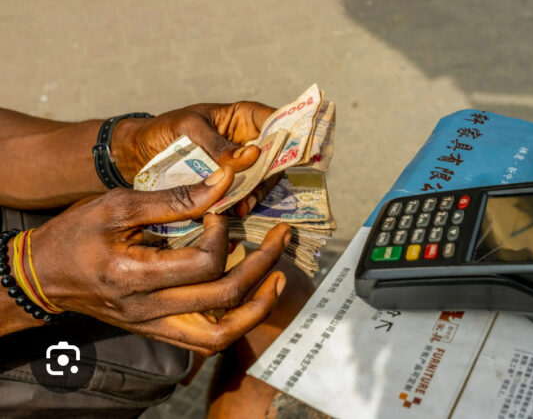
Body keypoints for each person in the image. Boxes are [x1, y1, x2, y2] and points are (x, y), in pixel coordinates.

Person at [0, 103, 315, 417]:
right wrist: (28, 277)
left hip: (55, 241)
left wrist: (128, 148)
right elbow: (35, 275)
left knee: (276, 293)